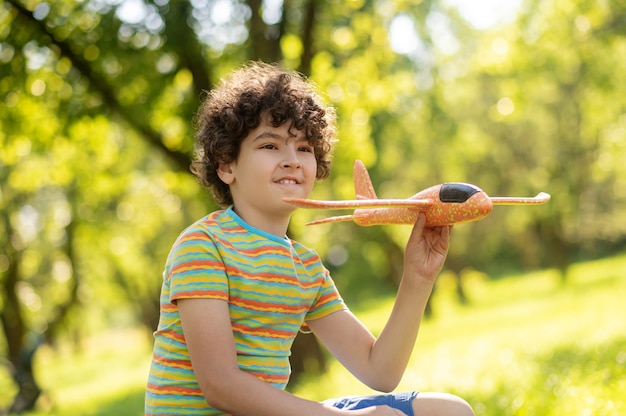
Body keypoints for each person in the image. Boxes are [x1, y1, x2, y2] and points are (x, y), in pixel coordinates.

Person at [145, 61, 474, 416]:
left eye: (304, 148)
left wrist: (417, 277)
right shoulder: (202, 246)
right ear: (227, 165)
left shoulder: (305, 268)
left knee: (450, 411)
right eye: (270, 146)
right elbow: (221, 386)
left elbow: (379, 370)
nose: (292, 160)